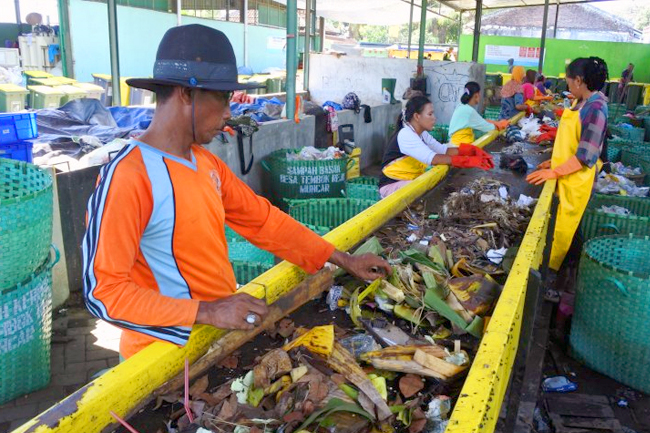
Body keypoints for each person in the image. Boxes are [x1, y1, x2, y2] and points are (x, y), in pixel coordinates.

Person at [81, 25, 391, 360]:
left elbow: (264, 222)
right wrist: (208, 311)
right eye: (222, 97)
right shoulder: (128, 176)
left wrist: (345, 260)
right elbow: (103, 294)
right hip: (159, 359)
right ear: (186, 93)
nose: (229, 112)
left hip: (214, 343)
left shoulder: (205, 163)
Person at [527, 57, 609, 283]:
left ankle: (561, 283)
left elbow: (585, 156)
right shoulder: (581, 102)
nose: (568, 85)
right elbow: (572, 144)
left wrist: (554, 172)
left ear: (580, 80)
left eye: (569, 81)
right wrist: (554, 163)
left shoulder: (596, 108)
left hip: (576, 182)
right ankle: (561, 276)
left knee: (567, 233)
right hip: (565, 175)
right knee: (563, 232)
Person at [379, 96, 494, 198]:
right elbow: (433, 159)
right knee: (424, 189)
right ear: (417, 116)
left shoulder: (421, 134)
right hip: (392, 185)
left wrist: (471, 151)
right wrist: (467, 161)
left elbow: (444, 150)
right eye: (430, 114)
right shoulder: (406, 134)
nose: (434, 118)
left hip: (407, 180)